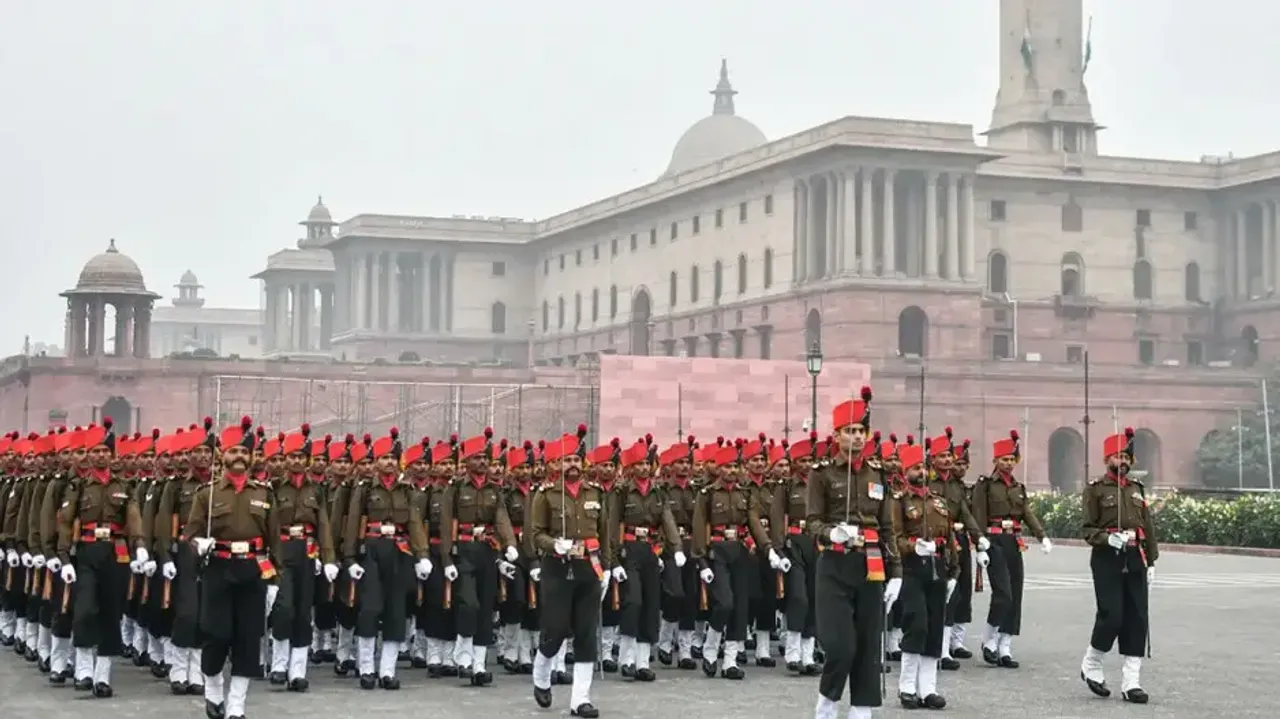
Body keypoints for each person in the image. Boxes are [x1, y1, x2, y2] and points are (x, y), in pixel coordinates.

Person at [807, 387, 904, 719]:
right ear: (837, 435)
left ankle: (861, 710)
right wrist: (830, 533)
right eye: (850, 431)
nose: (858, 437)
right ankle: (827, 703)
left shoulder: (878, 473)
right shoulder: (822, 473)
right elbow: (812, 521)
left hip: (871, 565)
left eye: (861, 431)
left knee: (868, 645)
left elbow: (887, 527)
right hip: (835, 564)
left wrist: (896, 573)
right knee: (840, 645)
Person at [182, 416, 276, 719]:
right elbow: (190, 534)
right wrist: (199, 544)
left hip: (252, 571)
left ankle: (237, 704)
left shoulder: (264, 493)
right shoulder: (207, 493)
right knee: (217, 635)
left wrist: (275, 581)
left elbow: (275, 540)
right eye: (233, 451)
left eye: (244, 452)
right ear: (222, 455)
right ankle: (213, 687)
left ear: (251, 457)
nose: (239, 457)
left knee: (248, 639)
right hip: (218, 571)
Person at [55, 418, 145, 698]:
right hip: (87, 552)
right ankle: (83, 669)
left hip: (116, 553)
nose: (101, 456)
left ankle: (102, 676)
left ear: (112, 455)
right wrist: (63, 557)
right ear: (89, 455)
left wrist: (139, 544)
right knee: (84, 610)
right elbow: (65, 521)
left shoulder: (125, 486)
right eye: (96, 451)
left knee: (111, 612)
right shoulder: (79, 486)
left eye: (106, 451)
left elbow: (133, 516)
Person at [529, 424, 611, 718]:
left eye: (576, 459)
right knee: (556, 629)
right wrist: (555, 545)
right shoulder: (545, 495)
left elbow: (604, 533)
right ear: (556, 465)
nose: (572, 465)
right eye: (567, 460)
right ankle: (541, 675)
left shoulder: (595, 493)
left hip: (589, 568)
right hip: (558, 569)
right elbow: (535, 534)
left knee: (586, 633)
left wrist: (607, 567)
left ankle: (580, 699)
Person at [342, 428, 432, 690]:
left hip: (399, 553)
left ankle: (388, 671)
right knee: (370, 609)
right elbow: (353, 523)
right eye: (384, 458)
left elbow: (414, 523)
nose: (389, 462)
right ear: (376, 462)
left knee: (396, 612)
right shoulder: (365, 489)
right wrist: (350, 558)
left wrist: (422, 555)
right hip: (371, 552)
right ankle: (366, 667)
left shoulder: (407, 490)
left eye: (393, 458)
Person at [1079, 427, 1157, 704]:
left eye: (1126, 457)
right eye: (1117, 456)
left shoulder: (1136, 489)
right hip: (1107, 558)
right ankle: (1092, 663)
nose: (1122, 461)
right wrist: (1107, 538)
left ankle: (1131, 682)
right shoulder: (1095, 490)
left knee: (1137, 617)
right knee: (1112, 615)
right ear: (1106, 460)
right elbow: (1087, 528)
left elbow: (1147, 527)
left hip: (1136, 557)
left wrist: (1152, 561)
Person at [439, 427, 516, 685]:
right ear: (467, 461)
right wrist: (447, 559)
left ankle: (479, 666)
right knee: (468, 604)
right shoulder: (456, 489)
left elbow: (501, 518)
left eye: (485, 458)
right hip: (464, 551)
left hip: (487, 551)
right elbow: (446, 524)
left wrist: (510, 544)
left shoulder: (494, 490)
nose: (483, 462)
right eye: (477, 458)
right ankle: (462, 655)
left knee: (485, 608)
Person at [970, 430, 1051, 668]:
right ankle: (988, 639)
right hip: (993, 542)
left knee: (1015, 594)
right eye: (1004, 459)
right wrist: (980, 545)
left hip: (1013, 542)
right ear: (995, 460)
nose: (1008, 463)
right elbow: (978, 515)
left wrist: (1042, 536)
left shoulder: (1018, 487)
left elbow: (1027, 514)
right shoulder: (985, 485)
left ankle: (1005, 645)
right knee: (1003, 593)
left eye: (1011, 459)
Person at [268, 424, 338, 691]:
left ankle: (297, 671)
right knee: (284, 609)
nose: (297, 461)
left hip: (307, 554)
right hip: (282, 552)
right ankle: (279, 664)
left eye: (301, 457)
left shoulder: (316, 490)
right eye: (292, 456)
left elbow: (323, 525)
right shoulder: (275, 487)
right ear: (285, 459)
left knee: (302, 611)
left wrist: (328, 558)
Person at [692, 439, 769, 680]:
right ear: (719, 468)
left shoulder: (745, 493)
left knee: (740, 608)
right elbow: (699, 527)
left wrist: (767, 548)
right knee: (725, 603)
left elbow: (753, 523)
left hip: (740, 551)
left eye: (735, 466)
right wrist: (701, 561)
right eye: (727, 466)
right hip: (717, 552)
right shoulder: (707, 494)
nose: (731, 471)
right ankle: (710, 647)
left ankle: (730, 661)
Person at [893, 438, 961, 709]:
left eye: (923, 467)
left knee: (934, 627)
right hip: (911, 569)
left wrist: (954, 570)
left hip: (937, 568)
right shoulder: (898, 502)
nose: (921, 472)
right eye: (915, 468)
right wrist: (913, 547)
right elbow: (894, 538)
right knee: (917, 624)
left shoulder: (938, 501)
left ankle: (928, 689)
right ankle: (907, 686)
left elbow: (950, 537)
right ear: (905, 472)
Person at [612, 436, 683, 681]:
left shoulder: (658, 492)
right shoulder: (622, 492)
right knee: (633, 602)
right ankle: (626, 659)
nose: (644, 468)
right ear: (631, 468)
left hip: (651, 551)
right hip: (629, 550)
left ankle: (642, 662)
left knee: (651, 605)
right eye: (639, 464)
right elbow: (613, 524)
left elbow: (667, 520)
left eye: (647, 464)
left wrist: (676, 547)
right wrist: (614, 559)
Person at [924, 428, 987, 671]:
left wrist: (979, 538)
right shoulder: (927, 483)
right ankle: (937, 648)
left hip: (956, 542)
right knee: (940, 596)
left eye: (949, 456)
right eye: (942, 456)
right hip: (934, 544)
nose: (948, 460)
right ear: (932, 459)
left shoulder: (956, 485)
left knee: (960, 592)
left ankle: (950, 645)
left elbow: (966, 513)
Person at [772, 432, 826, 675]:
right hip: (793, 544)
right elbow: (777, 517)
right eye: (802, 461)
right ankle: (792, 652)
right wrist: (778, 548)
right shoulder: (785, 487)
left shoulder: (820, 484)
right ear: (794, 463)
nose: (806, 465)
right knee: (798, 598)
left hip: (816, 543)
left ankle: (808, 655)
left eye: (809, 460)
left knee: (814, 598)